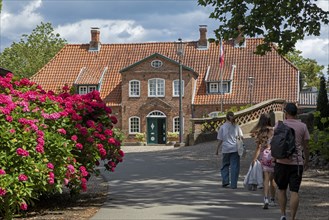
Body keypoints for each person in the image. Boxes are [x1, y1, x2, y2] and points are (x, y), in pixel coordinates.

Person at [274, 103, 310, 220]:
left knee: (281, 189)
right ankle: (292, 218)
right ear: (296, 113)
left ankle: (283, 214)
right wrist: (307, 160)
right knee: (294, 191)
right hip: (297, 164)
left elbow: (274, 144)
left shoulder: (279, 125)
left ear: (286, 113)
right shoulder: (302, 126)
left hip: (281, 162)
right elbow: (306, 146)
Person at [250, 113, 276, 209]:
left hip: (264, 156)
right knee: (272, 179)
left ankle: (265, 198)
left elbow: (258, 147)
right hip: (273, 156)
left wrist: (254, 159)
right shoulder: (273, 130)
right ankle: (273, 199)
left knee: (266, 178)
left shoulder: (260, 132)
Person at [216, 111, 243, 189]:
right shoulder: (236, 126)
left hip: (226, 149)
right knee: (235, 167)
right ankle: (234, 184)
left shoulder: (222, 127)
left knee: (225, 165)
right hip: (235, 148)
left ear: (226, 117)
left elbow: (220, 140)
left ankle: (225, 181)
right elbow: (241, 137)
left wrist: (217, 149)